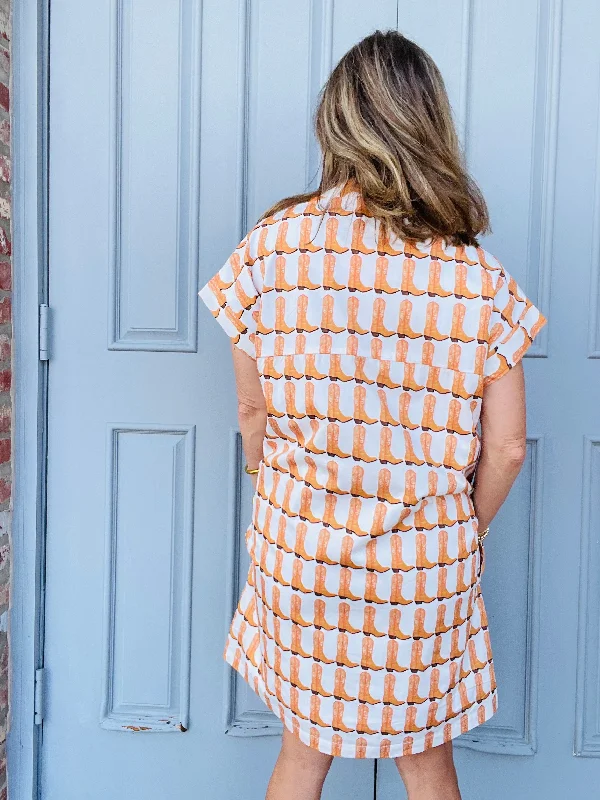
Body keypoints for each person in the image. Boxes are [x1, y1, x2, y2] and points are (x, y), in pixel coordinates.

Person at [198, 28, 547, 800]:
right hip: (424, 563)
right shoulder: (476, 275)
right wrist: (464, 526)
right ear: (431, 126)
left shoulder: (271, 250)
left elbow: (253, 407)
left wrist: (272, 481)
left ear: (338, 123)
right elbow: (509, 448)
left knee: (301, 752)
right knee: (427, 763)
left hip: (302, 552)